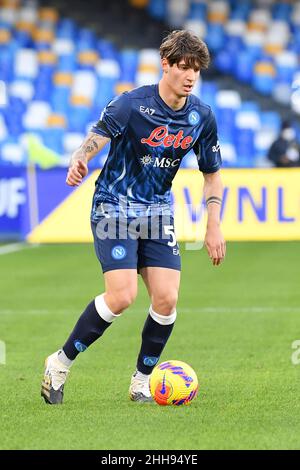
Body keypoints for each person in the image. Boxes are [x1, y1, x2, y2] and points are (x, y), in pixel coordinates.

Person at [41, 30, 226, 405]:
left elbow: (212, 174)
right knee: (122, 296)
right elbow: (95, 138)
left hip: (158, 210)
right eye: (184, 67)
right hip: (114, 206)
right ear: (166, 65)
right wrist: (80, 158)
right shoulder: (131, 105)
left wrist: (214, 223)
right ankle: (59, 363)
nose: (191, 76)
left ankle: (142, 381)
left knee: (166, 300)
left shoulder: (201, 117)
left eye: (197, 69)